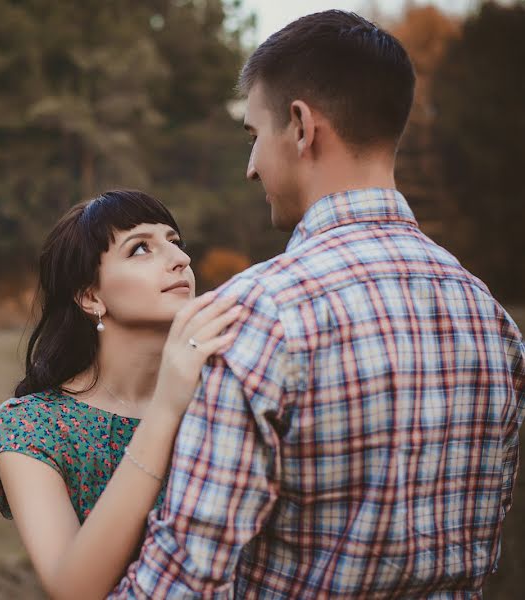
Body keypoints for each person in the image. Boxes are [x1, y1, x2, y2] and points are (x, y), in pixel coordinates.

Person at [109, 10, 525, 598]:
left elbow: (181, 582)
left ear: (302, 127)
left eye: (254, 137)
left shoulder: (256, 315)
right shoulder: (492, 321)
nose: (250, 168)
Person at [0, 189, 241, 599]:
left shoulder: (225, 395)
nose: (181, 259)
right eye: (141, 248)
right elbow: (74, 590)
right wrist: (165, 408)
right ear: (91, 296)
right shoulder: (32, 427)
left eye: (174, 243)